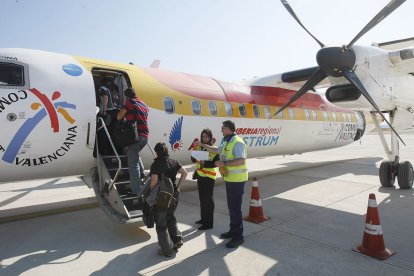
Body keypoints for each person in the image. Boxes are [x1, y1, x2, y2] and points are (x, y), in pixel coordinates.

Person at [200, 120, 248, 248]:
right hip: (230, 179)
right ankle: (233, 231)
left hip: (237, 180)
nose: (221, 130)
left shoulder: (237, 142)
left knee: (235, 209)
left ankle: (238, 237)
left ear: (228, 129)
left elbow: (241, 160)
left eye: (222, 128)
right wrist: (204, 146)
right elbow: (217, 150)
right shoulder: (227, 140)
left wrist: (224, 164)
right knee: (232, 208)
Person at [149, 142, 187, 257]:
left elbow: (154, 180)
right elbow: (184, 173)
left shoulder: (155, 164)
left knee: (161, 223)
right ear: (167, 151)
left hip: (161, 198)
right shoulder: (173, 162)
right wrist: (179, 188)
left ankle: (166, 250)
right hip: (174, 195)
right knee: (170, 217)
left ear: (157, 152)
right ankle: (177, 240)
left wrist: (151, 192)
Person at [117, 88, 149, 195]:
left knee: (132, 164)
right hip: (145, 136)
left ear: (127, 96)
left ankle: (136, 191)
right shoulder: (143, 104)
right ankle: (142, 173)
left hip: (135, 137)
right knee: (134, 153)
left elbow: (119, 116)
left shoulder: (129, 102)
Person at [191, 129, 219, 230]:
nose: (204, 138)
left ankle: (209, 223)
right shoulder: (199, 147)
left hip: (209, 177)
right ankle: (203, 219)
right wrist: (194, 150)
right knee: (202, 199)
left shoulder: (214, 148)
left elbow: (215, 163)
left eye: (207, 136)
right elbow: (193, 159)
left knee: (208, 200)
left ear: (210, 137)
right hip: (200, 175)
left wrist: (203, 162)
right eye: (203, 136)